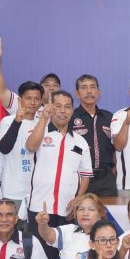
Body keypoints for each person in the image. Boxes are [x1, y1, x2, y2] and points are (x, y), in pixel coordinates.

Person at [25, 91, 93, 240]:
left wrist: (78, 199)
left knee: (64, 251)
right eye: (58, 106)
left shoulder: (80, 141)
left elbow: (85, 175)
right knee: (40, 252)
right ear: (50, 108)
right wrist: (44, 118)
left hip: (67, 210)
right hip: (39, 208)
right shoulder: (39, 132)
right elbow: (30, 146)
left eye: (67, 107)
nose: (63, 111)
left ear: (72, 110)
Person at [0, 81, 44, 210]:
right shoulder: (8, 121)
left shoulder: (42, 125)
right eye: (28, 98)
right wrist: (17, 121)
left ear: (41, 102)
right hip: (12, 192)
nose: (33, 102)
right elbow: (4, 149)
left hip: (36, 194)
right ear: (20, 100)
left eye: (37, 99)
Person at [70, 74, 117, 197]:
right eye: (84, 87)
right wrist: (83, 149)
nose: (89, 91)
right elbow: (66, 146)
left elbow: (114, 147)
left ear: (98, 92)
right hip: (80, 178)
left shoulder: (109, 117)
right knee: (80, 209)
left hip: (107, 179)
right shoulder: (70, 117)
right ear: (77, 93)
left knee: (108, 210)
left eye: (92, 87)